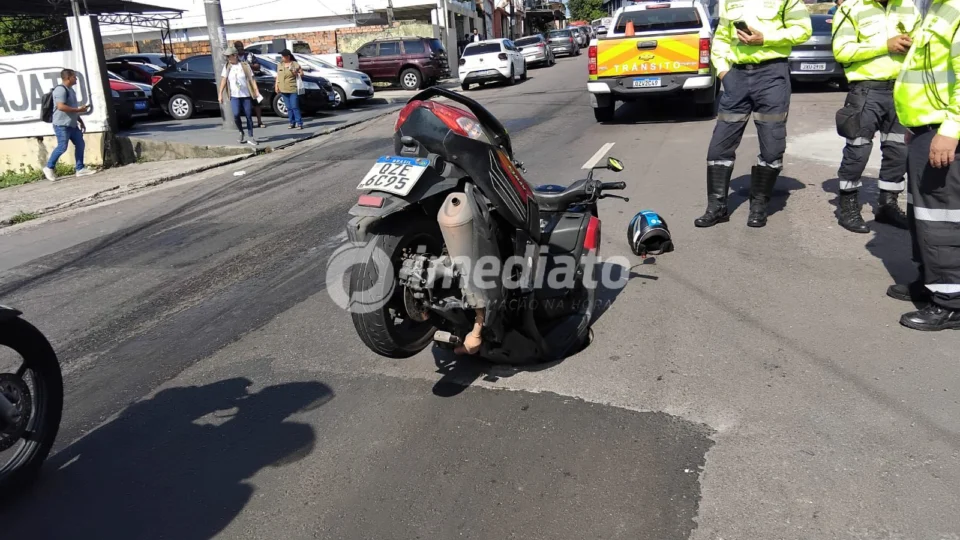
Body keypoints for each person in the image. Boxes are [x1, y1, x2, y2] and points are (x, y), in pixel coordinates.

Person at [694, 0, 812, 229]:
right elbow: (721, 39)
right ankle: (716, 208)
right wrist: (723, 72)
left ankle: (759, 205)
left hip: (772, 74)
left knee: (772, 146)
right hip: (736, 76)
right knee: (719, 146)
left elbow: (803, 30)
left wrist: (765, 39)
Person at [890, 0, 960, 330]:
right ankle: (931, 281)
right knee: (923, 215)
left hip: (945, 132)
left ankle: (951, 301)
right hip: (925, 128)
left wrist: (950, 130)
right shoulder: (935, 8)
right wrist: (915, 124)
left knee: (942, 218)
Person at [830, 0, 918, 233]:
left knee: (898, 150)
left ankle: (887, 205)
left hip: (902, 89)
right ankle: (847, 205)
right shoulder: (852, 8)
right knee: (858, 148)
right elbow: (841, 51)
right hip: (866, 90)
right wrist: (885, 45)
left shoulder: (908, 6)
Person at [42, 68, 95, 181]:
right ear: (68, 78)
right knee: (62, 147)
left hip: (72, 124)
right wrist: (78, 110)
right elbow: (61, 107)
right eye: (74, 77)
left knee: (80, 144)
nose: (76, 79)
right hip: (62, 124)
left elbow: (72, 108)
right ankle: (48, 167)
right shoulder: (60, 90)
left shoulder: (71, 90)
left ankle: (80, 169)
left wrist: (80, 120)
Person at [218, 47, 261, 146]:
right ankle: (241, 132)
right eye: (227, 56)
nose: (228, 58)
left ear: (235, 55)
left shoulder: (245, 65)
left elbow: (252, 79)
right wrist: (220, 94)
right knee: (236, 114)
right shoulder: (227, 67)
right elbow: (223, 80)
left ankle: (251, 136)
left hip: (245, 95)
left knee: (248, 115)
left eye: (229, 56)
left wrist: (256, 90)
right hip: (234, 95)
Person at [234, 41, 265, 128]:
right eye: (239, 48)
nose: (241, 50)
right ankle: (241, 124)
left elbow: (257, 66)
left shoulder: (249, 55)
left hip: (250, 81)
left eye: (242, 48)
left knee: (256, 102)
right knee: (240, 104)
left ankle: (259, 121)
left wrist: (248, 65)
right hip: (239, 83)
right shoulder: (234, 57)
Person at [275, 49, 303, 130]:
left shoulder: (294, 64)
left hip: (292, 88)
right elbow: (278, 76)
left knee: (294, 106)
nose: (282, 58)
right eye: (282, 56)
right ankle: (291, 122)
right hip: (283, 89)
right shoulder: (280, 65)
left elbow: (301, 74)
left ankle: (299, 123)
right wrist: (276, 85)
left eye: (283, 56)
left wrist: (295, 72)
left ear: (288, 56)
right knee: (288, 107)